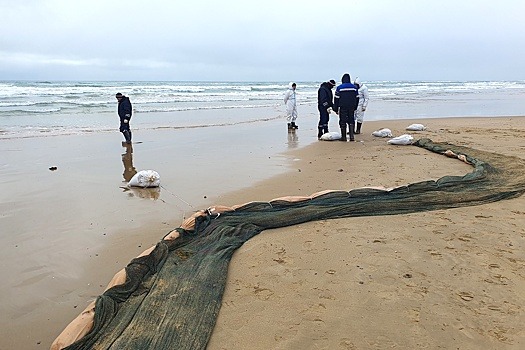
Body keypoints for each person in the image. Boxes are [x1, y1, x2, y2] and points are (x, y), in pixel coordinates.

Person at [333, 73, 358, 142]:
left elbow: (336, 98)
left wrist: (335, 108)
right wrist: (355, 106)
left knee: (342, 121)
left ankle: (343, 137)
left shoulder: (339, 87)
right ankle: (352, 136)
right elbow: (357, 98)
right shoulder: (354, 87)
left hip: (343, 106)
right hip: (352, 106)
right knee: (351, 120)